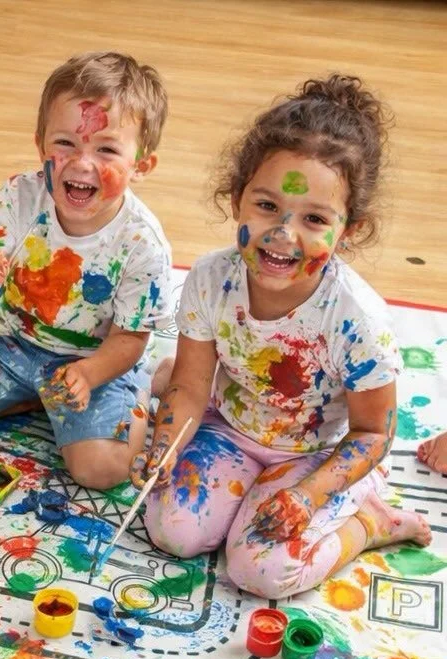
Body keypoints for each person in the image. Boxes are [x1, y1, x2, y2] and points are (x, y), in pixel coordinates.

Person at [132, 75, 430, 599]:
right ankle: (241, 494)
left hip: (314, 455)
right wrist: (164, 447)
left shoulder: (356, 321)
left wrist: (312, 495)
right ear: (237, 196)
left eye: (314, 218)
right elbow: (192, 387)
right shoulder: (209, 279)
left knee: (260, 572)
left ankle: (369, 523)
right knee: (172, 533)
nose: (283, 234)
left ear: (350, 229)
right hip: (230, 427)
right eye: (267, 206)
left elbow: (373, 434)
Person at [0, 51, 172, 491]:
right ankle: (30, 396)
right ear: (40, 144)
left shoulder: (143, 245)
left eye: (106, 149)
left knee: (101, 470)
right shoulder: (21, 195)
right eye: (65, 143)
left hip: (91, 363)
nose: (82, 163)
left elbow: (129, 339)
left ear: (141, 165)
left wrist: (91, 374)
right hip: (9, 342)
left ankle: (143, 387)